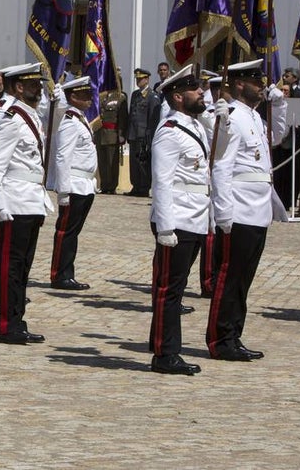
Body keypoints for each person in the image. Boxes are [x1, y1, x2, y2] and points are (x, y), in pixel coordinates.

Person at [207, 59, 288, 359]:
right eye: (256, 81)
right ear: (240, 84)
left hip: (258, 212)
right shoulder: (232, 117)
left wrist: (279, 106)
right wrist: (224, 212)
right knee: (229, 278)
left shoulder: (254, 117)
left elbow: (277, 137)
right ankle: (219, 339)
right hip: (238, 211)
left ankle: (234, 335)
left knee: (244, 279)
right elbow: (221, 168)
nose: (262, 86)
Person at [0, 63, 61, 344]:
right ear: (18, 87)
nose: (38, 89)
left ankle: (18, 320)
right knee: (10, 267)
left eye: (39, 85)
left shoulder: (30, 116)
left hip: (31, 201)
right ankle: (7, 324)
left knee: (23, 267)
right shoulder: (10, 119)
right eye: (33, 85)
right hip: (14, 202)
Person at [148, 64, 212, 375]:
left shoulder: (196, 126)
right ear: (177, 97)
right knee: (169, 290)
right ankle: (165, 354)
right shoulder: (169, 131)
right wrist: (165, 226)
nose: (202, 92)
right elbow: (161, 181)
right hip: (177, 218)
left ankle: (161, 343)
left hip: (195, 216)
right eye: (194, 88)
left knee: (176, 287)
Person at [48, 76, 99, 291]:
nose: (90, 99)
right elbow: (62, 157)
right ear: (74, 97)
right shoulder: (70, 122)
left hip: (85, 184)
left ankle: (67, 271)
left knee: (73, 233)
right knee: (66, 232)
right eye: (85, 95)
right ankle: (60, 274)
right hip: (75, 185)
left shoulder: (80, 119)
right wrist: (64, 190)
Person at [95, 83, 128, 193]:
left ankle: (112, 185)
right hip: (100, 133)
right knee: (102, 161)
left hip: (112, 133)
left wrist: (121, 134)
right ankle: (104, 185)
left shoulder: (120, 97)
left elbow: (123, 117)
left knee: (111, 162)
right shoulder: (101, 96)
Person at [126, 68, 153, 196]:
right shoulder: (135, 95)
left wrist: (149, 136)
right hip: (133, 134)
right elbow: (132, 115)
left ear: (147, 79)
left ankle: (144, 187)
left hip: (144, 135)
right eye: (137, 79)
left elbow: (152, 117)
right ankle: (135, 186)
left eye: (140, 79)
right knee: (134, 163)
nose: (138, 81)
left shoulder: (152, 96)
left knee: (143, 163)